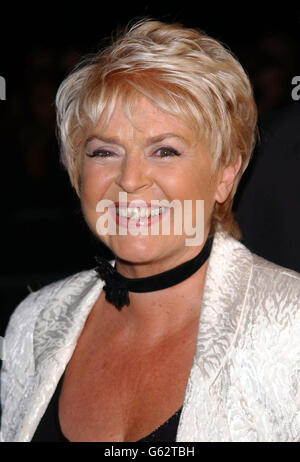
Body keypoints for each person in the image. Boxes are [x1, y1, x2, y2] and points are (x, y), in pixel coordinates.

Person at [1, 19, 299, 443]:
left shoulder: (291, 329)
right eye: (104, 151)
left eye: (165, 150)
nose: (129, 179)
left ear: (225, 173)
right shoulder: (34, 323)